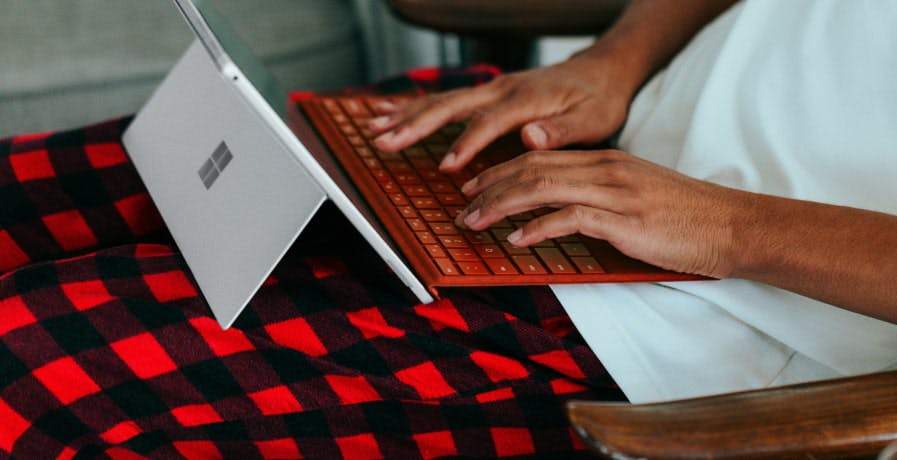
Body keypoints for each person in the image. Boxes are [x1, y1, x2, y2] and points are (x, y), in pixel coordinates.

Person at [368, 0, 897, 402]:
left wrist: (725, 227)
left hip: (706, 324)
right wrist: (609, 63)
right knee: (339, 163)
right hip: (609, 130)